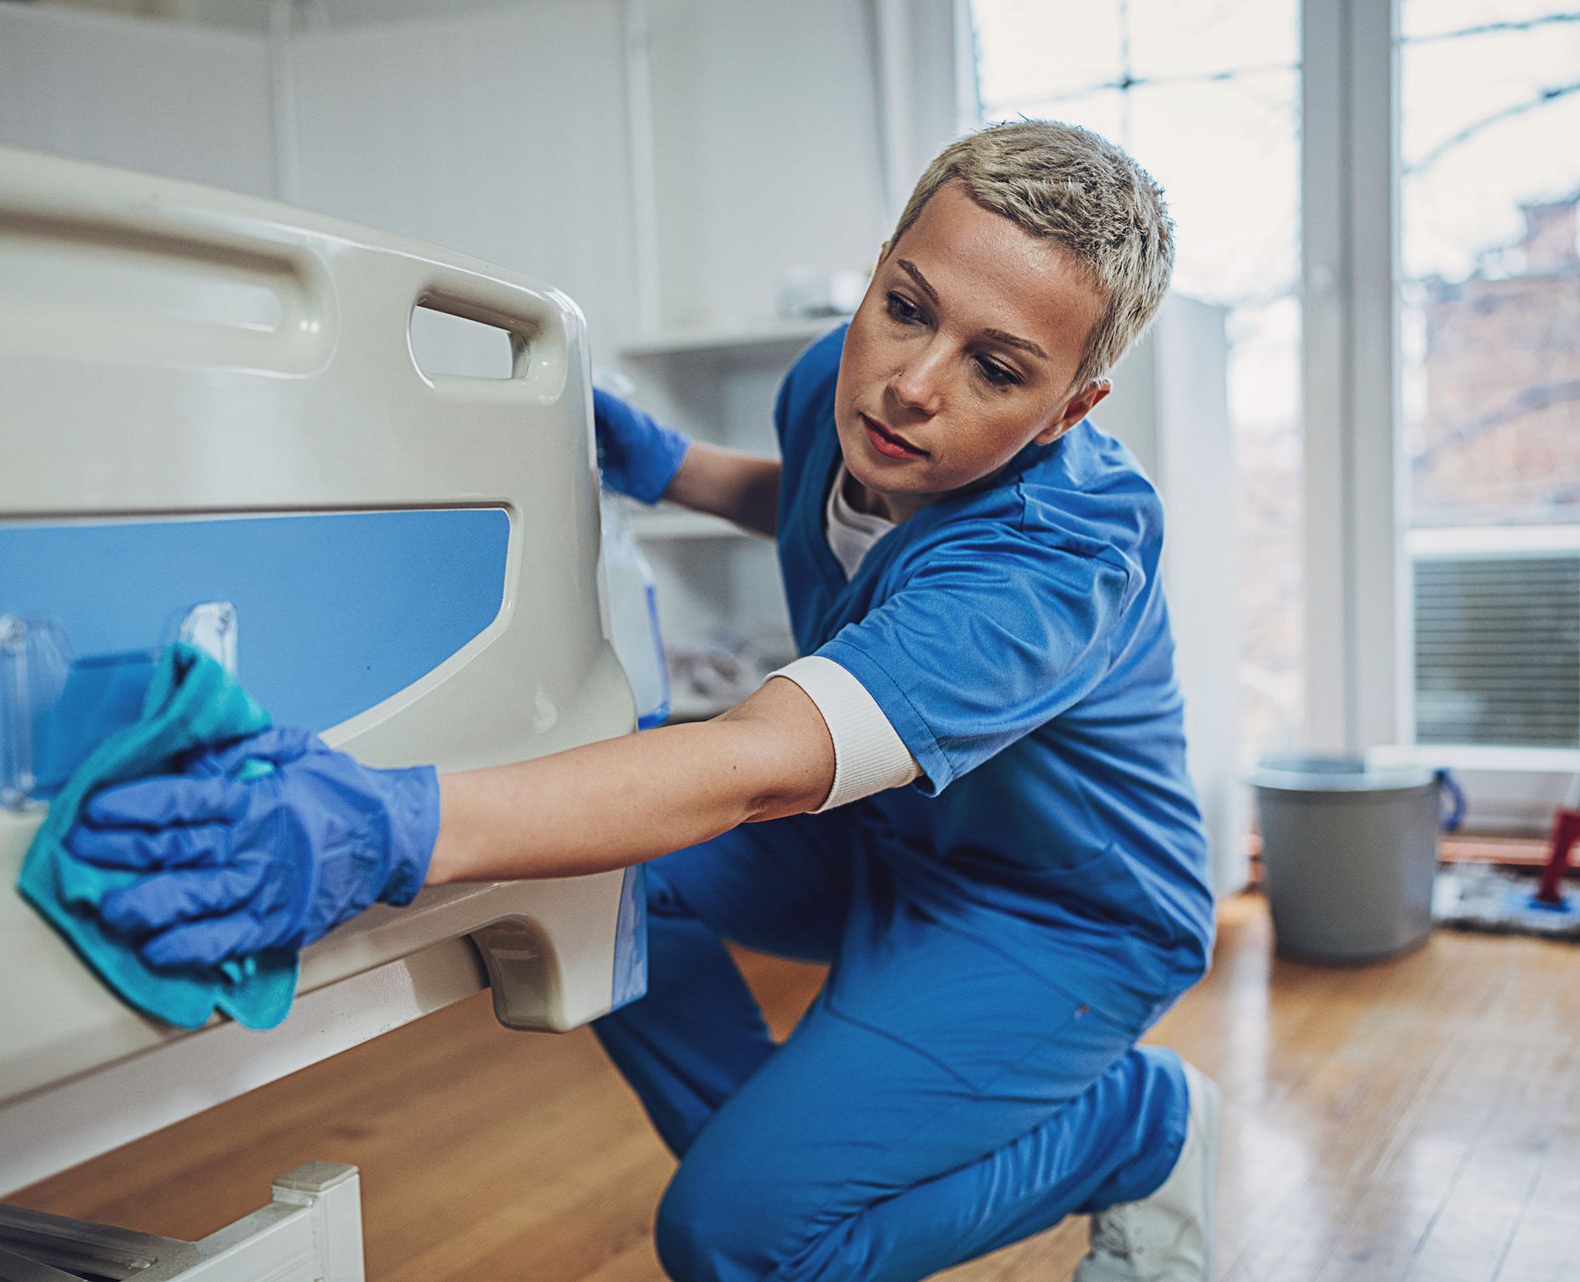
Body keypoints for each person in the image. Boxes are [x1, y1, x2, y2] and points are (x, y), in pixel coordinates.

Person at [66, 119, 1220, 1282]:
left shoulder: (1054, 559)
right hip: (892, 840)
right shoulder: (844, 384)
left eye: (998, 367)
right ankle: (778, 1173)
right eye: (907, 306)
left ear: (1070, 408)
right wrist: (673, 465)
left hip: (1057, 914)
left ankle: (1139, 1128)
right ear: (878, 271)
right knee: (592, 876)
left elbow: (760, 761)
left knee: (735, 1242)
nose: (912, 385)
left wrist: (399, 825)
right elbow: (835, 503)